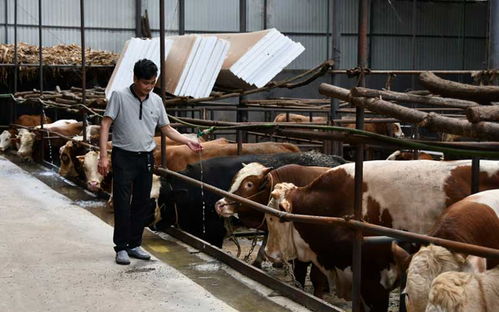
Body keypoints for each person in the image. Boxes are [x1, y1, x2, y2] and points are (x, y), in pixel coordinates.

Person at [98, 59, 203, 265]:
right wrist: (103, 156)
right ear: (135, 79)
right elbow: (105, 124)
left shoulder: (156, 101)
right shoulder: (119, 96)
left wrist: (187, 141)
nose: (148, 87)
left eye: (152, 83)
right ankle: (121, 247)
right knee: (121, 202)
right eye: (145, 82)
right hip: (123, 157)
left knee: (142, 202)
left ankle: (135, 244)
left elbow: (166, 128)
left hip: (145, 158)